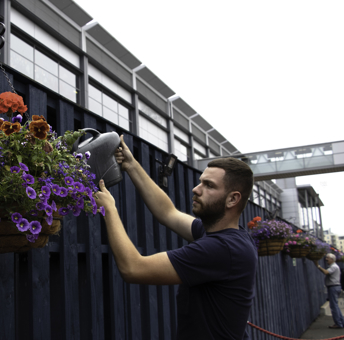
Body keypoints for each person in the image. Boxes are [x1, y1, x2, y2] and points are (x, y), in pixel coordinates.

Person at [95, 135, 258, 340]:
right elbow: (168, 213)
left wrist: (109, 209)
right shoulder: (228, 236)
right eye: (200, 182)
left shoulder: (222, 249)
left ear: (233, 198)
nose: (196, 189)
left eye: (209, 185)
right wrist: (131, 164)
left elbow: (133, 268)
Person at [314, 254, 344, 329]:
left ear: (332, 259)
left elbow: (326, 272)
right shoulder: (334, 266)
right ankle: (342, 322)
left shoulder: (334, 267)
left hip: (333, 287)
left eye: (328, 258)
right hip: (335, 287)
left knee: (334, 307)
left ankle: (338, 324)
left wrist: (318, 266)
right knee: (336, 306)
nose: (326, 259)